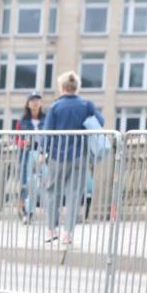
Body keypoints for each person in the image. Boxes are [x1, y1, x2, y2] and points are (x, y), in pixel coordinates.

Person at [41, 71, 104, 246]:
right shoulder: (86, 105)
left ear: (61, 87)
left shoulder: (55, 107)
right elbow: (100, 121)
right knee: (74, 194)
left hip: (57, 155)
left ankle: (51, 229)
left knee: (53, 192)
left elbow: (47, 132)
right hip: (80, 155)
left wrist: (42, 152)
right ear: (77, 87)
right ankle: (67, 233)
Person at [15, 93, 45, 223]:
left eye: (37, 100)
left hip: (42, 155)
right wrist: (23, 143)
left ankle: (33, 209)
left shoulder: (46, 119)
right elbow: (16, 140)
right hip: (26, 154)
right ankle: (24, 211)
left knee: (40, 183)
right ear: (28, 104)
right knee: (25, 183)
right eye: (32, 100)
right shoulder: (22, 121)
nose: (35, 103)